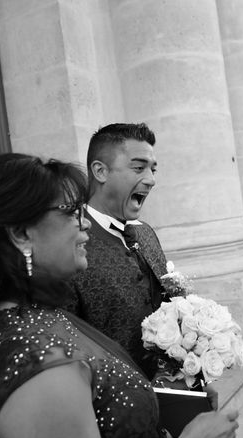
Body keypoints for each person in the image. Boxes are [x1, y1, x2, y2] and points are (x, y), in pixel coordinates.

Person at [0, 153, 238, 438]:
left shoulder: (38, 318)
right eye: (70, 212)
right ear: (21, 233)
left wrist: (171, 403)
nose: (84, 223)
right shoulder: (40, 373)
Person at [67, 123, 166, 381]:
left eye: (153, 169)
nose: (151, 180)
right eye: (138, 167)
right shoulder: (70, 246)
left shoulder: (146, 233)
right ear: (100, 171)